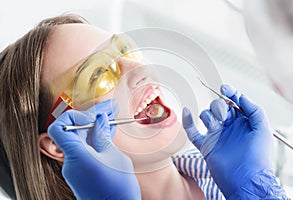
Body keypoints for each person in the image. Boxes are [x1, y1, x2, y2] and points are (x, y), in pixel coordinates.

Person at [0, 13, 223, 199]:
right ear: (59, 143)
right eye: (98, 74)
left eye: (125, 50)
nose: (139, 69)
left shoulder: (238, 175)